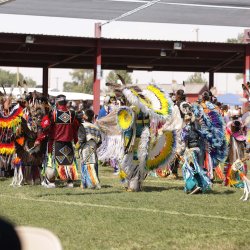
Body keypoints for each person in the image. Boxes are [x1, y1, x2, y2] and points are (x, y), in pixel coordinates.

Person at [36, 94, 79, 188]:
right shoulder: (72, 114)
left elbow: (45, 128)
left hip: (56, 143)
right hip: (68, 143)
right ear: (65, 102)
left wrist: (39, 139)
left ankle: (51, 182)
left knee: (51, 163)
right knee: (68, 163)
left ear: (57, 102)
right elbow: (76, 129)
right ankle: (70, 183)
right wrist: (76, 142)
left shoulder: (53, 114)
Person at [77, 109, 102, 189]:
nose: (83, 115)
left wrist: (78, 146)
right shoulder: (96, 127)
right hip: (94, 146)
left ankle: (85, 184)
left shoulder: (83, 125)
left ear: (86, 117)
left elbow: (81, 138)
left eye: (84, 114)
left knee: (85, 164)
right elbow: (100, 141)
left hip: (85, 146)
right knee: (93, 164)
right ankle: (94, 182)